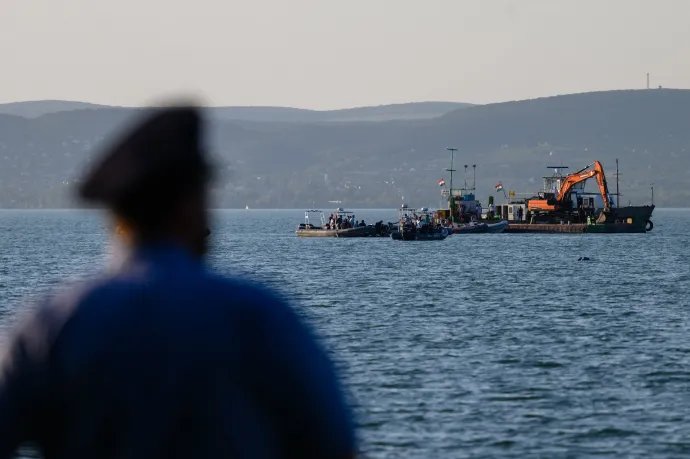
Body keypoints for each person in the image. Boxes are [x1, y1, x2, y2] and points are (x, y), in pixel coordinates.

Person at [0, 105, 355, 459]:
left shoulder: (52, 325)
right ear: (191, 204)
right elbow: (332, 441)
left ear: (117, 216)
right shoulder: (259, 317)